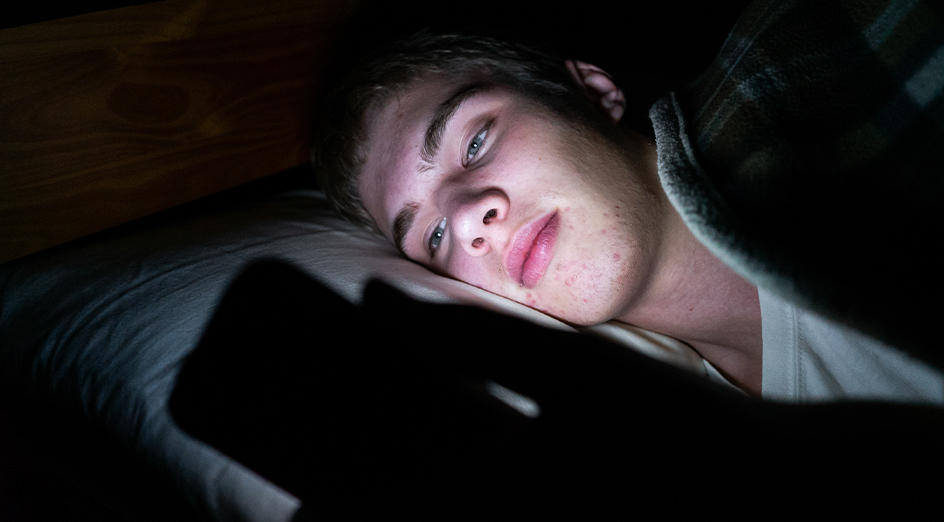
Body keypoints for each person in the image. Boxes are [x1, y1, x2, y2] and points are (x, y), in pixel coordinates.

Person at [314, 0, 944, 403]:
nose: (466, 218)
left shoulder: (824, 49)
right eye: (431, 238)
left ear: (591, 90)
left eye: (475, 141)